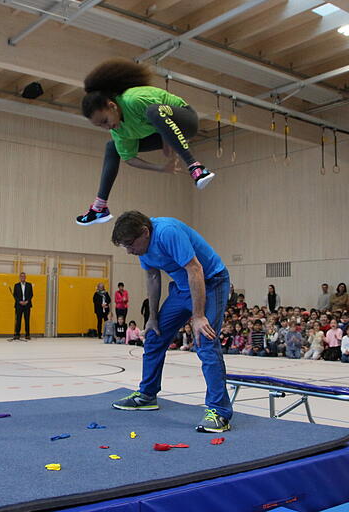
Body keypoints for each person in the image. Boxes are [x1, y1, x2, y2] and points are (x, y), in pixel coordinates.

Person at [109, 211, 232, 433]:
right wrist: (153, 317)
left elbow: (195, 269)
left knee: (205, 341)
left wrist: (198, 316)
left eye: (130, 244)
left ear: (145, 233)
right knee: (155, 336)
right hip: (182, 288)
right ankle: (147, 394)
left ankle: (219, 412)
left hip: (210, 283)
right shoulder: (142, 245)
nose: (129, 251)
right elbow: (152, 277)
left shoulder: (168, 233)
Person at [76, 59, 215, 226]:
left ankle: (196, 167)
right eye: (100, 125)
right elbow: (129, 158)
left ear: (112, 106)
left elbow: (159, 114)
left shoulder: (133, 99)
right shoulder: (118, 130)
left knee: (153, 111)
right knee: (112, 147)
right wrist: (161, 168)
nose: (106, 127)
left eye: (105, 121)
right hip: (162, 131)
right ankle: (99, 207)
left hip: (185, 120)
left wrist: (166, 139)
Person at [11, 272, 33, 341]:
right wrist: (19, 301)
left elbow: (31, 294)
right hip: (19, 305)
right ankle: (17, 334)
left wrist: (27, 301)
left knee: (27, 320)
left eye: (24, 276)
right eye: (21, 276)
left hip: (27, 305)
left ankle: (27, 335)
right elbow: (15, 295)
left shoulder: (29, 285)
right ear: (19, 277)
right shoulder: (16, 285)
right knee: (18, 320)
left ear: (25, 277)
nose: (22, 277)